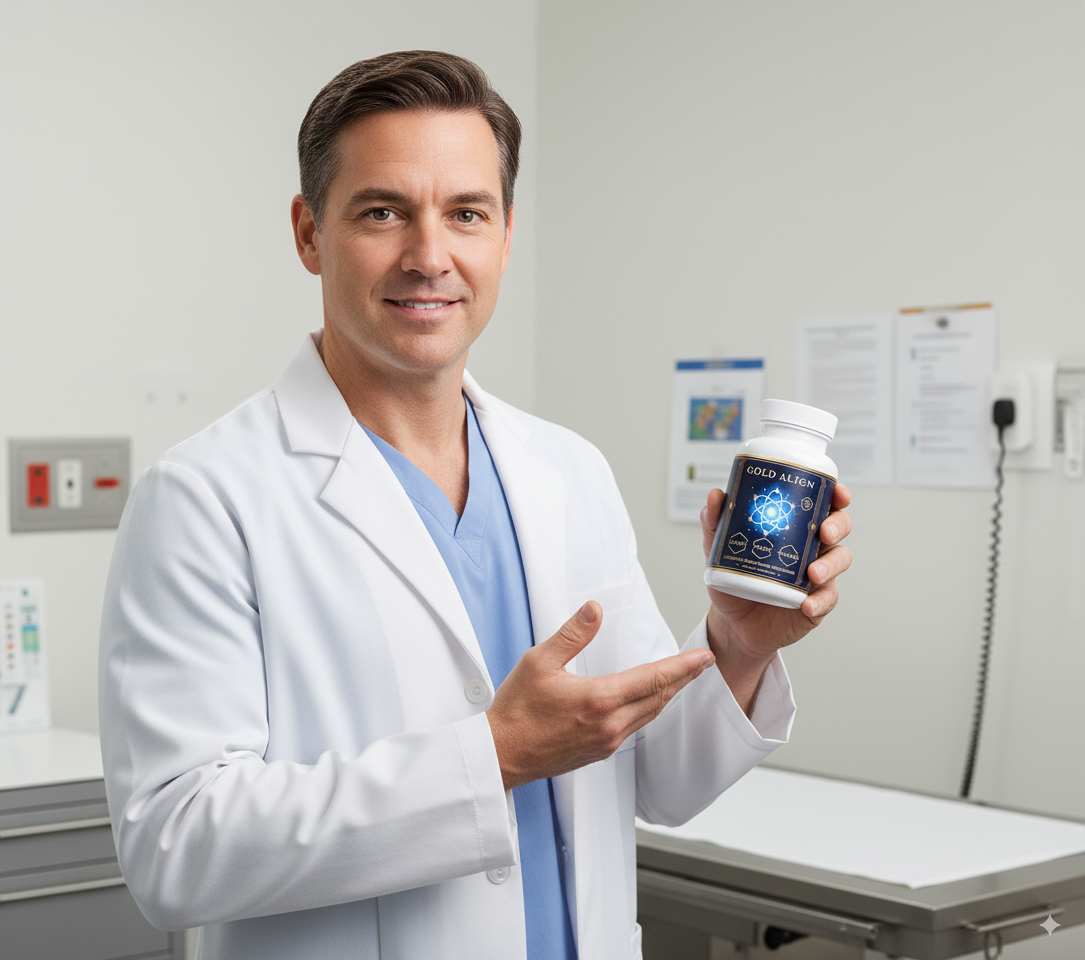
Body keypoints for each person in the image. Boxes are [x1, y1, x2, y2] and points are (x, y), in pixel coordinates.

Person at [98, 50, 852, 960]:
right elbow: (175, 850)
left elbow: (657, 776)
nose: (430, 257)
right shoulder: (204, 498)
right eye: (383, 212)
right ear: (309, 233)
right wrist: (494, 756)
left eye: (466, 213)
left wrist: (738, 644)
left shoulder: (568, 469)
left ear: (504, 236)